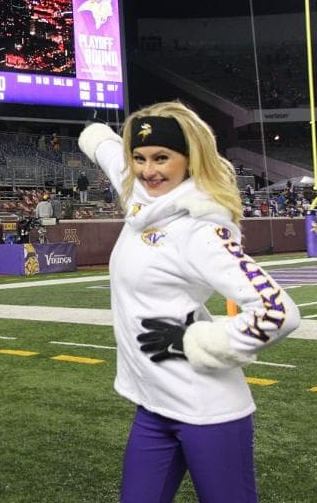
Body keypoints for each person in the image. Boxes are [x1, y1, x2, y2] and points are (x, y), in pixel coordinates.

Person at [77, 100, 301, 502]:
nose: (148, 170)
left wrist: (194, 340)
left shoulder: (200, 229)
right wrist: (94, 134)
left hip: (207, 411)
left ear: (189, 158)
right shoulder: (140, 196)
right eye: (140, 158)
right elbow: (111, 153)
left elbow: (279, 312)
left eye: (162, 158)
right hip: (153, 406)